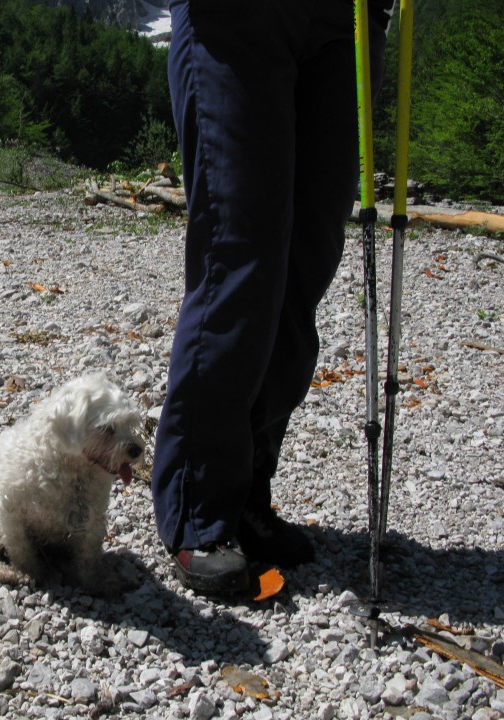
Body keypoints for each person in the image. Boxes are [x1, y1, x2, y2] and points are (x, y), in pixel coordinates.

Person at [152, 0, 396, 595]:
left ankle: (248, 493)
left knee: (305, 262)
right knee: (241, 255)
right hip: (236, 18)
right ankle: (200, 507)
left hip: (345, 19)